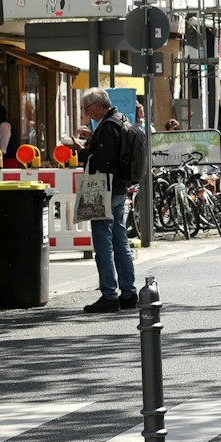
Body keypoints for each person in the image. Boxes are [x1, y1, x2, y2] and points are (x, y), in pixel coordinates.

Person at [75, 88, 137, 314]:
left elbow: (104, 160)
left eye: (87, 108)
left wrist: (81, 150)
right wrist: (94, 139)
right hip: (119, 188)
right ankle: (129, 293)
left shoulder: (108, 126)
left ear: (98, 105)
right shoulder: (119, 119)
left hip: (106, 189)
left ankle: (109, 294)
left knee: (103, 243)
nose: (86, 113)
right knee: (120, 242)